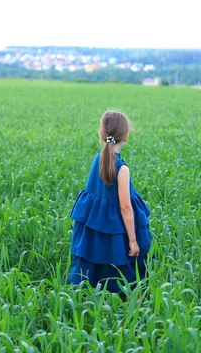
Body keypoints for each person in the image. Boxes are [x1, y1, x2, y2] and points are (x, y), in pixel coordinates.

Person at [68, 110, 152, 295]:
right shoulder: (122, 169)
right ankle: (128, 301)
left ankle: (88, 299)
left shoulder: (98, 159)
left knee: (95, 261)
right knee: (120, 266)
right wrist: (133, 241)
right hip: (116, 227)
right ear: (126, 136)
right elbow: (125, 207)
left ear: (101, 134)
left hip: (95, 226)